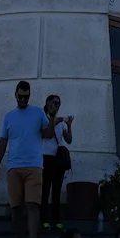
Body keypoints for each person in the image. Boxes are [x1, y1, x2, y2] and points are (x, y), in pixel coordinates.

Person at [0, 80, 58, 238]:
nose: (23, 99)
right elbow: (2, 142)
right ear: (15, 95)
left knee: (32, 205)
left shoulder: (38, 112)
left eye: (26, 96)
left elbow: (48, 134)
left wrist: (53, 117)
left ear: (29, 95)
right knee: (15, 208)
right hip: (14, 166)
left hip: (34, 166)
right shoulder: (9, 116)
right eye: (20, 96)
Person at [41, 93, 74, 230]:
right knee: (45, 190)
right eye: (54, 102)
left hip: (58, 159)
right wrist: (57, 119)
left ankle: (56, 220)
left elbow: (69, 140)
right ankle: (44, 220)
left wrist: (69, 125)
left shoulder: (61, 123)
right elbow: (46, 133)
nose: (57, 105)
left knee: (56, 191)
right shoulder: (43, 119)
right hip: (46, 158)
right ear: (48, 105)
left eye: (58, 103)